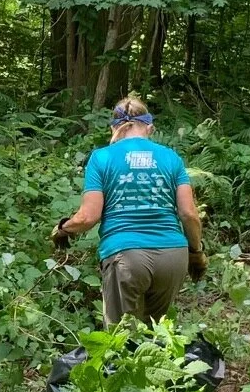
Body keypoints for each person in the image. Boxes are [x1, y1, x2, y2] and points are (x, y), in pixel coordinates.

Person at [52, 95, 209, 326]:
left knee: (119, 340)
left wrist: (63, 229)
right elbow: (189, 214)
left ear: (115, 127)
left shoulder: (102, 157)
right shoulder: (170, 157)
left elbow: (88, 217)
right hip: (173, 255)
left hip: (126, 255)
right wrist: (195, 253)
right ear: (150, 128)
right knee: (155, 334)